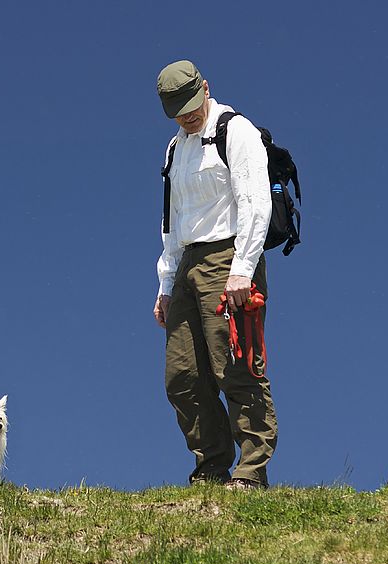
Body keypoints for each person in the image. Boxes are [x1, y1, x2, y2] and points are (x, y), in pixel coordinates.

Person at [153, 60, 278, 490]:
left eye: (191, 104)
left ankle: (251, 470)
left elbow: (256, 201)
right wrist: (165, 285)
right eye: (176, 110)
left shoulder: (235, 130)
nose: (186, 115)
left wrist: (243, 270)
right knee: (183, 375)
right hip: (187, 264)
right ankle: (210, 468)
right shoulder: (175, 148)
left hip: (229, 256)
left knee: (235, 365)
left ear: (206, 88)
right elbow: (172, 221)